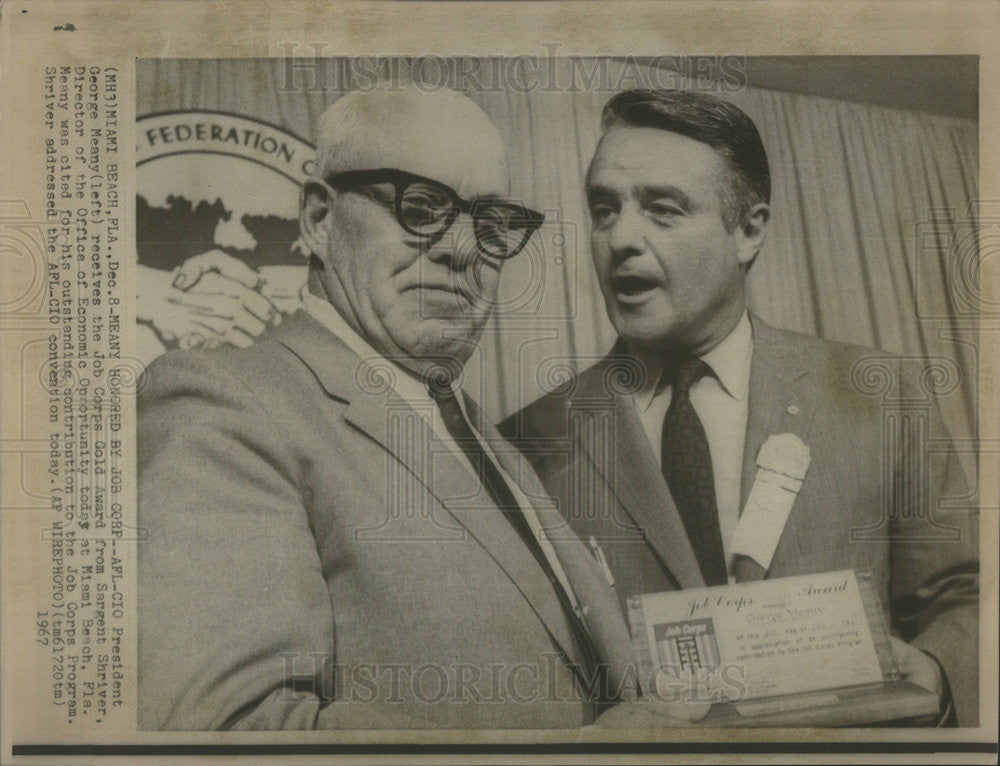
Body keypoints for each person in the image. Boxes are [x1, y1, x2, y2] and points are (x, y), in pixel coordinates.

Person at [137, 85, 637, 730]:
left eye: (491, 225)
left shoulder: (476, 429)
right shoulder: (226, 402)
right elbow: (224, 730)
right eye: (422, 207)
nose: (464, 250)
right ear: (319, 220)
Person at [502, 89, 979, 726]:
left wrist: (941, 668)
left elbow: (963, 596)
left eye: (663, 210)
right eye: (603, 209)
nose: (620, 238)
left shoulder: (882, 393)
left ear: (748, 231)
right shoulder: (526, 443)